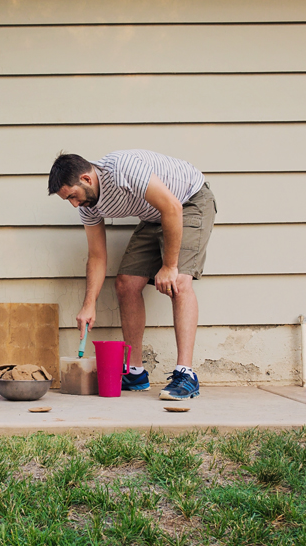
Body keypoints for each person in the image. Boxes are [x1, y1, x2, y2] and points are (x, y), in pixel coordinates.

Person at [48, 149, 216, 400]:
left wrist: (169, 266)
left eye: (73, 196)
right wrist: (88, 305)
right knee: (126, 283)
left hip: (188, 201)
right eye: (67, 200)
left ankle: (186, 374)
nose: (74, 204)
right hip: (154, 214)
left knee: (178, 282)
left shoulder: (123, 169)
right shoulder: (88, 206)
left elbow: (172, 207)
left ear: (86, 179)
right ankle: (135, 372)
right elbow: (97, 255)